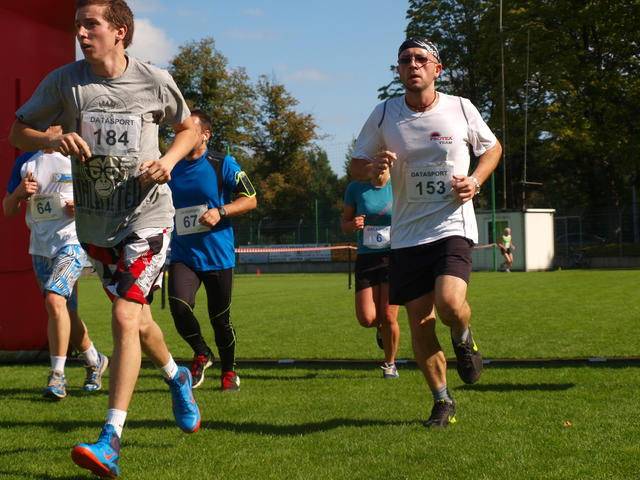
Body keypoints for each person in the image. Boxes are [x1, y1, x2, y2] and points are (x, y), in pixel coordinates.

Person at [9, 0, 201, 476]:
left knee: (124, 313)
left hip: (148, 218)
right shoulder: (64, 82)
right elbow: (17, 132)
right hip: (96, 228)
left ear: (120, 31)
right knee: (139, 322)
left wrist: (168, 161)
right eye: (78, 25)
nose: (81, 32)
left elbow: (187, 127)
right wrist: (50, 140)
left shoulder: (154, 79)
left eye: (91, 24)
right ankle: (176, 375)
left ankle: (110, 439)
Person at [350, 37, 502, 428]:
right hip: (406, 235)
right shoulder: (385, 113)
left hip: (452, 225)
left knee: (449, 304)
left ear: (437, 69)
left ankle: (463, 335)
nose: (413, 65)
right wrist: (373, 169)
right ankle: (442, 400)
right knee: (420, 321)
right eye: (405, 60)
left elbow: (492, 148)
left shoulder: (460, 107)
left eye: (421, 59)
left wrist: (475, 181)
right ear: (398, 70)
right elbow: (357, 163)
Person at [3, 144, 108, 400]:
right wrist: (18, 193)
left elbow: (103, 198)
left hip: (73, 241)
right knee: (64, 310)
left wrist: (81, 208)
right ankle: (95, 360)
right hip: (40, 249)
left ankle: (57, 375)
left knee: (54, 299)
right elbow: (8, 209)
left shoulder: (80, 157)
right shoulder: (26, 161)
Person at [167, 109, 257, 391]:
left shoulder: (222, 163)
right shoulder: (171, 165)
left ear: (205, 135)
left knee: (220, 320)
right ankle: (202, 352)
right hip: (183, 254)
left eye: (189, 131)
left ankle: (229, 372)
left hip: (218, 256)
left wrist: (221, 211)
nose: (181, 137)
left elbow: (251, 199)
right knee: (179, 307)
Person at [341, 177, 400, 378]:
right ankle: (381, 329)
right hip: (366, 258)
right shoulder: (356, 187)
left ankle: (390, 364)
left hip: (393, 256)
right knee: (367, 319)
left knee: (389, 316)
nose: (381, 164)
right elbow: (345, 224)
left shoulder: (399, 183)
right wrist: (352, 224)